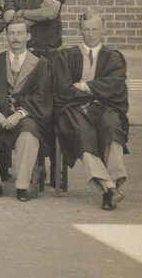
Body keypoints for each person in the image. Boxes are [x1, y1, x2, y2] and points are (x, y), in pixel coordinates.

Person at [53, 13, 129, 211]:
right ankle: (109, 188)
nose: (90, 34)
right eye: (86, 29)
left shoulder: (113, 57)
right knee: (83, 135)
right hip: (73, 109)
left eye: (95, 29)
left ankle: (111, 184)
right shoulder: (67, 55)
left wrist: (84, 87)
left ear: (103, 29)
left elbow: (115, 87)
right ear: (80, 31)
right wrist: (96, 94)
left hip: (104, 108)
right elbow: (62, 89)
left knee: (113, 126)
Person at [0, 19, 53, 202]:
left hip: (25, 115)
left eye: (20, 33)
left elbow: (41, 97)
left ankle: (23, 186)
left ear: (28, 36)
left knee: (29, 135)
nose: (15, 38)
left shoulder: (39, 65)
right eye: (12, 33)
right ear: (6, 35)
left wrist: (19, 114)